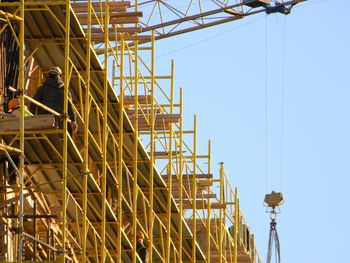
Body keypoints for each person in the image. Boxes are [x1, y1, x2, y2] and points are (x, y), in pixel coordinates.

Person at [29, 66, 78, 135]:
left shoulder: (43, 88)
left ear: (49, 75)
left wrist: (32, 117)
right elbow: (70, 106)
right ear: (60, 76)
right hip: (60, 122)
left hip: (44, 122)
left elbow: (34, 104)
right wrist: (73, 121)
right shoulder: (65, 90)